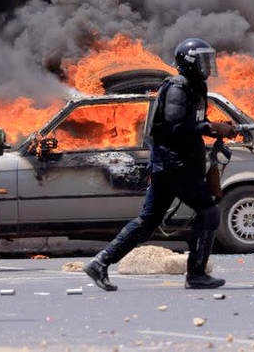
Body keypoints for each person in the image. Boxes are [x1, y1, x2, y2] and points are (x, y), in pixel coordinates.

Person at [83, 38, 236, 291]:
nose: (208, 66)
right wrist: (210, 127)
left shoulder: (196, 87)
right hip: (174, 166)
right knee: (208, 212)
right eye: (203, 60)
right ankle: (196, 275)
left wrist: (220, 129)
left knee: (147, 222)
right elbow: (175, 127)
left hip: (172, 166)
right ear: (189, 62)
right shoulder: (178, 86)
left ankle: (100, 262)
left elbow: (195, 120)